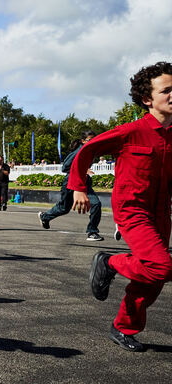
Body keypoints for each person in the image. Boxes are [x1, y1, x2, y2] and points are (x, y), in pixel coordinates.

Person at [69, 62, 172, 352]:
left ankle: (123, 326)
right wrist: (77, 186)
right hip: (132, 209)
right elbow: (86, 151)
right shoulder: (131, 131)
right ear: (147, 99)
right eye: (167, 90)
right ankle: (110, 262)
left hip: (162, 211)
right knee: (159, 265)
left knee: (153, 279)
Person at [37, 131, 103, 241]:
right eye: (90, 140)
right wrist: (83, 169)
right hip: (70, 182)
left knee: (96, 204)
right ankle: (45, 217)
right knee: (64, 208)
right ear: (83, 141)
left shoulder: (91, 151)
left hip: (84, 182)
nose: (93, 142)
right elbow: (65, 168)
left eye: (94, 139)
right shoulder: (79, 151)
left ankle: (92, 231)